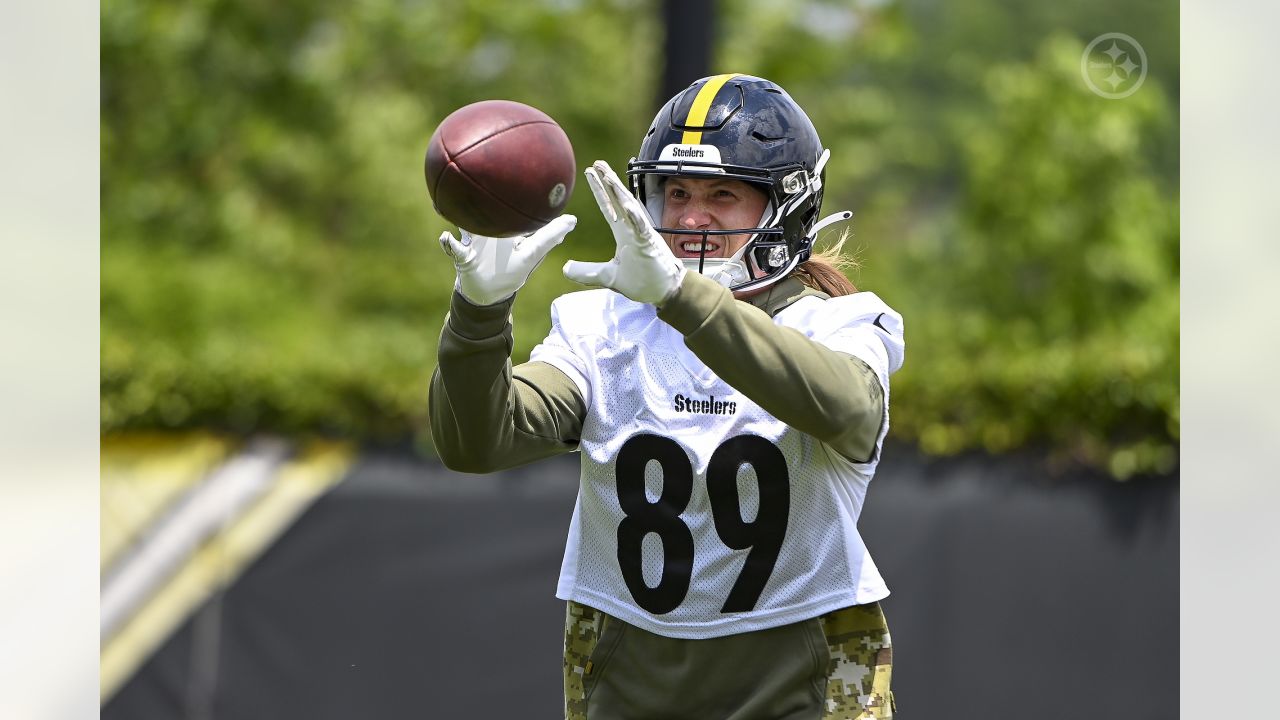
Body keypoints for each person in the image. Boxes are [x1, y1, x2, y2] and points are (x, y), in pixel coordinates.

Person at [430, 73, 904, 720]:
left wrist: (684, 301)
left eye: (722, 194)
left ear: (788, 207)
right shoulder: (601, 325)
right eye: (675, 191)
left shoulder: (839, 323)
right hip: (630, 658)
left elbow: (847, 408)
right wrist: (479, 315)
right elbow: (478, 443)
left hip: (799, 657)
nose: (688, 217)